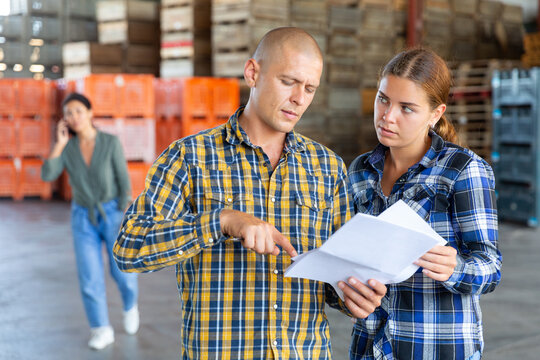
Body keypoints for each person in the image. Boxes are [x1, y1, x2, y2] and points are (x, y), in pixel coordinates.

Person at [113, 27, 387, 359]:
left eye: (309, 88)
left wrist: (353, 295)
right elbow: (129, 248)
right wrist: (222, 220)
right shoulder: (189, 158)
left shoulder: (326, 167)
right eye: (288, 82)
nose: (299, 99)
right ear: (252, 73)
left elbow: (336, 278)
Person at [347, 48, 502, 360]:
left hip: (436, 349)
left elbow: (490, 268)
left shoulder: (462, 170)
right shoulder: (360, 172)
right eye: (383, 99)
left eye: (407, 108)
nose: (387, 116)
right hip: (371, 347)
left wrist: (455, 267)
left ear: (435, 113)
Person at [41, 93, 139, 350]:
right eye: (68, 113)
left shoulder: (110, 142)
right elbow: (48, 173)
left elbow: (123, 181)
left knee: (122, 272)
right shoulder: (69, 148)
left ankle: (130, 304)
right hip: (82, 217)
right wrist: (60, 144)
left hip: (113, 214)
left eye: (78, 111)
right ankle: (101, 329)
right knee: (89, 276)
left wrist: (123, 212)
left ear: (90, 113)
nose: (73, 117)